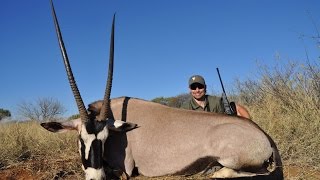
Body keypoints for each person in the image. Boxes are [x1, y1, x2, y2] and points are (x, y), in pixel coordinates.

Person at [181, 75, 251, 119]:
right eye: (193, 87)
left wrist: (248, 124)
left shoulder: (216, 101)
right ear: (189, 89)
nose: (197, 90)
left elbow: (236, 108)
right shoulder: (185, 108)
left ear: (205, 87)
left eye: (200, 87)